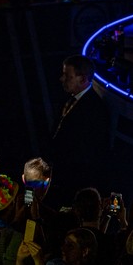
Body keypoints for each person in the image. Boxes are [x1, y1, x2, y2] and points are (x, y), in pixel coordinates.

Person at [50, 55, 110, 204]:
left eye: (67, 76)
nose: (62, 79)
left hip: (76, 181)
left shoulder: (94, 109)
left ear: (82, 79)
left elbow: (88, 151)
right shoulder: (69, 99)